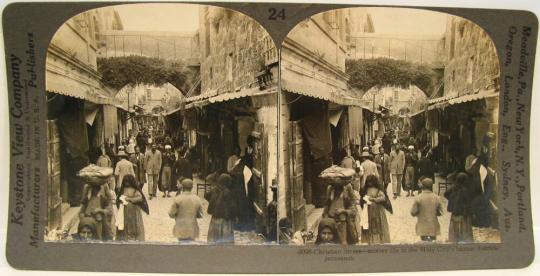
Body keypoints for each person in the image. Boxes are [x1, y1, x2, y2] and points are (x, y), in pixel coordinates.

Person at [322, 181, 358, 245]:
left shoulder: (348, 187)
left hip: (343, 220)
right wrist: (325, 215)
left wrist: (343, 211)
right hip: (331, 218)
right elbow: (326, 204)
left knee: (344, 241)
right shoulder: (330, 188)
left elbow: (353, 206)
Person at [115, 175, 148, 241]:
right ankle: (124, 237)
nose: (127, 183)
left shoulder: (135, 190)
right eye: (125, 182)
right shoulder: (122, 189)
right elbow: (118, 199)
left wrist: (129, 199)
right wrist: (121, 200)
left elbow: (140, 198)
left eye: (128, 182)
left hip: (134, 211)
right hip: (124, 211)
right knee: (124, 224)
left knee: (134, 225)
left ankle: (134, 238)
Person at [205, 174, 236, 244]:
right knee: (225, 232)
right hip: (225, 216)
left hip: (215, 215)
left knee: (214, 232)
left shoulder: (214, 189)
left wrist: (212, 202)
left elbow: (206, 195)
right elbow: (232, 205)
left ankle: (214, 241)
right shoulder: (228, 192)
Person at [360, 175, 391, 245]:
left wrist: (374, 199)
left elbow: (383, 198)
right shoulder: (366, 189)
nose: (370, 185)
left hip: (378, 210)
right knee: (370, 225)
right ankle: (370, 240)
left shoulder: (378, 190)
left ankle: (378, 240)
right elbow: (362, 199)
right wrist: (364, 200)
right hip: (369, 210)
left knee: (377, 224)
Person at [410, 178, 443, 242]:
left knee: (423, 242)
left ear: (423, 186)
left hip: (422, 226)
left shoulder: (418, 198)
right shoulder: (436, 197)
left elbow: (413, 212)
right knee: (433, 243)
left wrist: (418, 213)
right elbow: (440, 212)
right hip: (433, 225)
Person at [444, 172, 473, 243]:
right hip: (463, 211)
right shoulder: (465, 190)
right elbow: (468, 201)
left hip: (455, 211)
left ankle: (454, 238)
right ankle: (463, 238)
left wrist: (452, 200)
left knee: (454, 225)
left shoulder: (453, 188)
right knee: (464, 225)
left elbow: (445, 194)